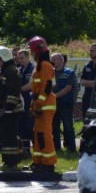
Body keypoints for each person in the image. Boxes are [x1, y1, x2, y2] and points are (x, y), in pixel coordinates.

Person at [28, 36, 57, 173]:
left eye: (32, 51)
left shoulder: (45, 65)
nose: (31, 53)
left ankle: (48, 164)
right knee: (38, 135)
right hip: (40, 104)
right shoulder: (39, 65)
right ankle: (38, 162)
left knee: (45, 134)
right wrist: (34, 104)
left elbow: (47, 85)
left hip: (46, 104)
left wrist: (39, 102)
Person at [0, 46, 24, 170]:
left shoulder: (11, 71)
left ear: (4, 58)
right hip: (6, 109)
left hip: (12, 109)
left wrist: (9, 108)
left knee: (10, 136)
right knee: (4, 135)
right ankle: (7, 161)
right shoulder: (6, 70)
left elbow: (13, 91)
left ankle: (13, 162)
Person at [51, 52, 77, 152]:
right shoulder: (50, 73)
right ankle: (56, 148)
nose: (52, 61)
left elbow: (68, 88)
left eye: (54, 59)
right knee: (54, 126)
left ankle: (72, 148)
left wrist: (55, 96)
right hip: (53, 104)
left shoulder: (68, 72)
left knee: (68, 126)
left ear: (61, 61)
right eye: (51, 59)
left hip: (65, 103)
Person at [16, 49, 35, 156]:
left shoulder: (33, 69)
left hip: (30, 101)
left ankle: (36, 150)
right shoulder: (19, 69)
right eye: (18, 58)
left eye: (22, 58)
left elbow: (31, 85)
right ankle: (25, 150)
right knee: (21, 128)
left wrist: (19, 89)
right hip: (21, 102)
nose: (20, 60)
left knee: (30, 127)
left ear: (28, 57)